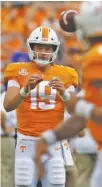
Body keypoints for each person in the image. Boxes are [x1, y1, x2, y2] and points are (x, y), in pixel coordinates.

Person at [34, 2, 102, 187]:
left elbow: (94, 112)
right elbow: (86, 114)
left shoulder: (96, 57)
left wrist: (79, 105)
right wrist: (50, 137)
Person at [4, 26, 78, 187]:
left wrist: (64, 93)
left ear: (54, 49)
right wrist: (25, 90)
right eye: (39, 47)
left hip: (54, 142)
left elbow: (73, 110)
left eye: (47, 48)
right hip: (26, 142)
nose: (44, 52)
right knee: (23, 184)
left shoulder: (67, 73)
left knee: (55, 184)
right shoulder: (17, 70)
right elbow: (8, 105)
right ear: (31, 47)